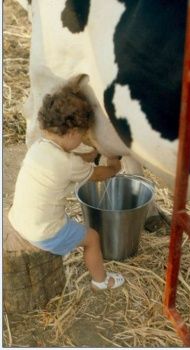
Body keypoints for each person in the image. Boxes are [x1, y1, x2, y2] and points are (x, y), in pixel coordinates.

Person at [8, 76, 125, 290]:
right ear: (71, 133)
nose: (81, 141)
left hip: (18, 220)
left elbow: (70, 163)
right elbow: (99, 175)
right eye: (81, 136)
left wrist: (90, 154)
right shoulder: (68, 163)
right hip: (44, 232)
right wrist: (114, 167)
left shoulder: (40, 147)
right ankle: (101, 281)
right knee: (92, 238)